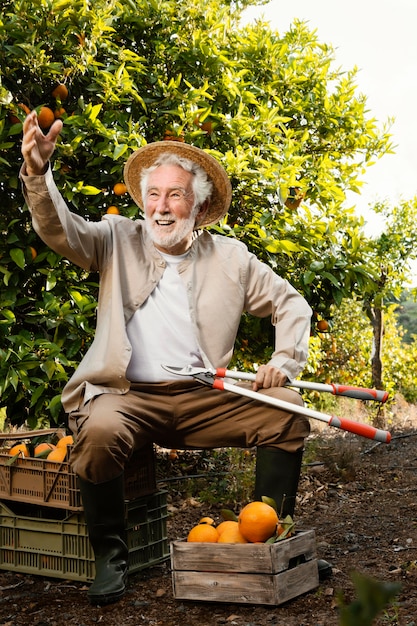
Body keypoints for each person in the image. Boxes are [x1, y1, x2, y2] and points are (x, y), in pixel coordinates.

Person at [20, 111, 329, 606]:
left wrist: (285, 359)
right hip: (128, 397)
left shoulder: (232, 258)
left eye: (176, 194)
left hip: (206, 396)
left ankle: (272, 540)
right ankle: (110, 556)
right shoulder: (116, 239)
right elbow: (61, 230)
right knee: (96, 432)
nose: (162, 207)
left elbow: (291, 303)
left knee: (287, 411)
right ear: (143, 201)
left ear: (199, 205)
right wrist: (38, 174)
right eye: (154, 195)